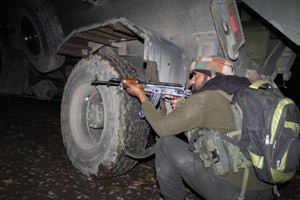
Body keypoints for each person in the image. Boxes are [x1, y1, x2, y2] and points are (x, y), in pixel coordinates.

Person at [123, 56, 273, 200]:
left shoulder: (205, 99)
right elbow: (209, 136)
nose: (191, 80)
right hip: (264, 188)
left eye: (195, 75)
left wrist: (141, 96)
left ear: (212, 76)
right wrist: (183, 107)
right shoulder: (245, 96)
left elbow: (162, 128)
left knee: (165, 144)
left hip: (233, 192)